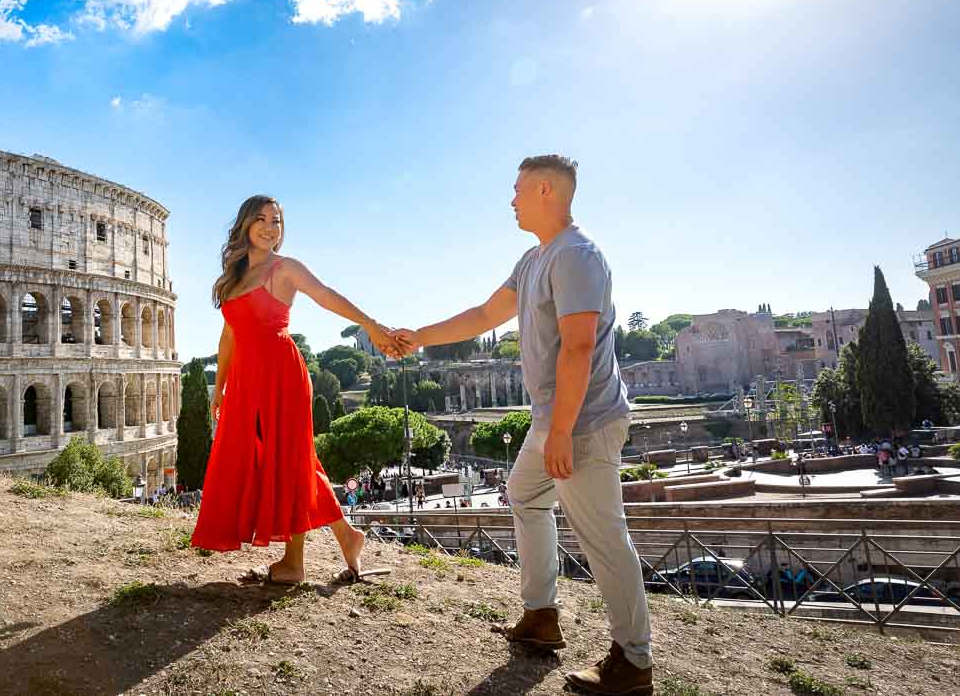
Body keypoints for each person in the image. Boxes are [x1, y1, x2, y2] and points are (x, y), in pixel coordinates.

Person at [395, 155, 653, 695]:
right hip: (552, 420)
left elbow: (580, 345)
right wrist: (418, 335)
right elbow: (484, 316)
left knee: (603, 537)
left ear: (544, 190)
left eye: (516, 190)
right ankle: (541, 617)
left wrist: (561, 432)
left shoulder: (578, 255)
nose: (510, 199)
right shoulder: (534, 258)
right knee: (525, 495)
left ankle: (634, 663)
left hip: (582, 420)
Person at [190, 194, 399, 586]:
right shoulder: (234, 278)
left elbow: (326, 296)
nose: (271, 228)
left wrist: (369, 324)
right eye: (263, 220)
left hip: (281, 372)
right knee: (272, 457)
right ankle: (347, 537)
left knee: (289, 457)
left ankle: (294, 563)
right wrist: (219, 387)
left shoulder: (285, 269)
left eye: (278, 221)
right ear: (245, 224)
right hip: (247, 379)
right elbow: (229, 335)